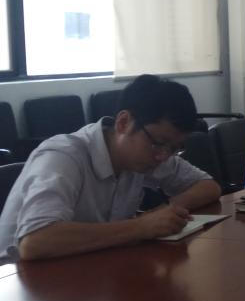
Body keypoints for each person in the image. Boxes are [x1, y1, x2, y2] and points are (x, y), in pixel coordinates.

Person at [0, 75, 221, 261]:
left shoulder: (145, 154)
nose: (162, 156)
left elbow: (208, 186)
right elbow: (35, 241)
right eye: (159, 143)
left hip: (84, 271)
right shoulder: (63, 157)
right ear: (124, 123)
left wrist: (167, 210)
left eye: (173, 148)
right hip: (18, 283)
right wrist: (141, 226)